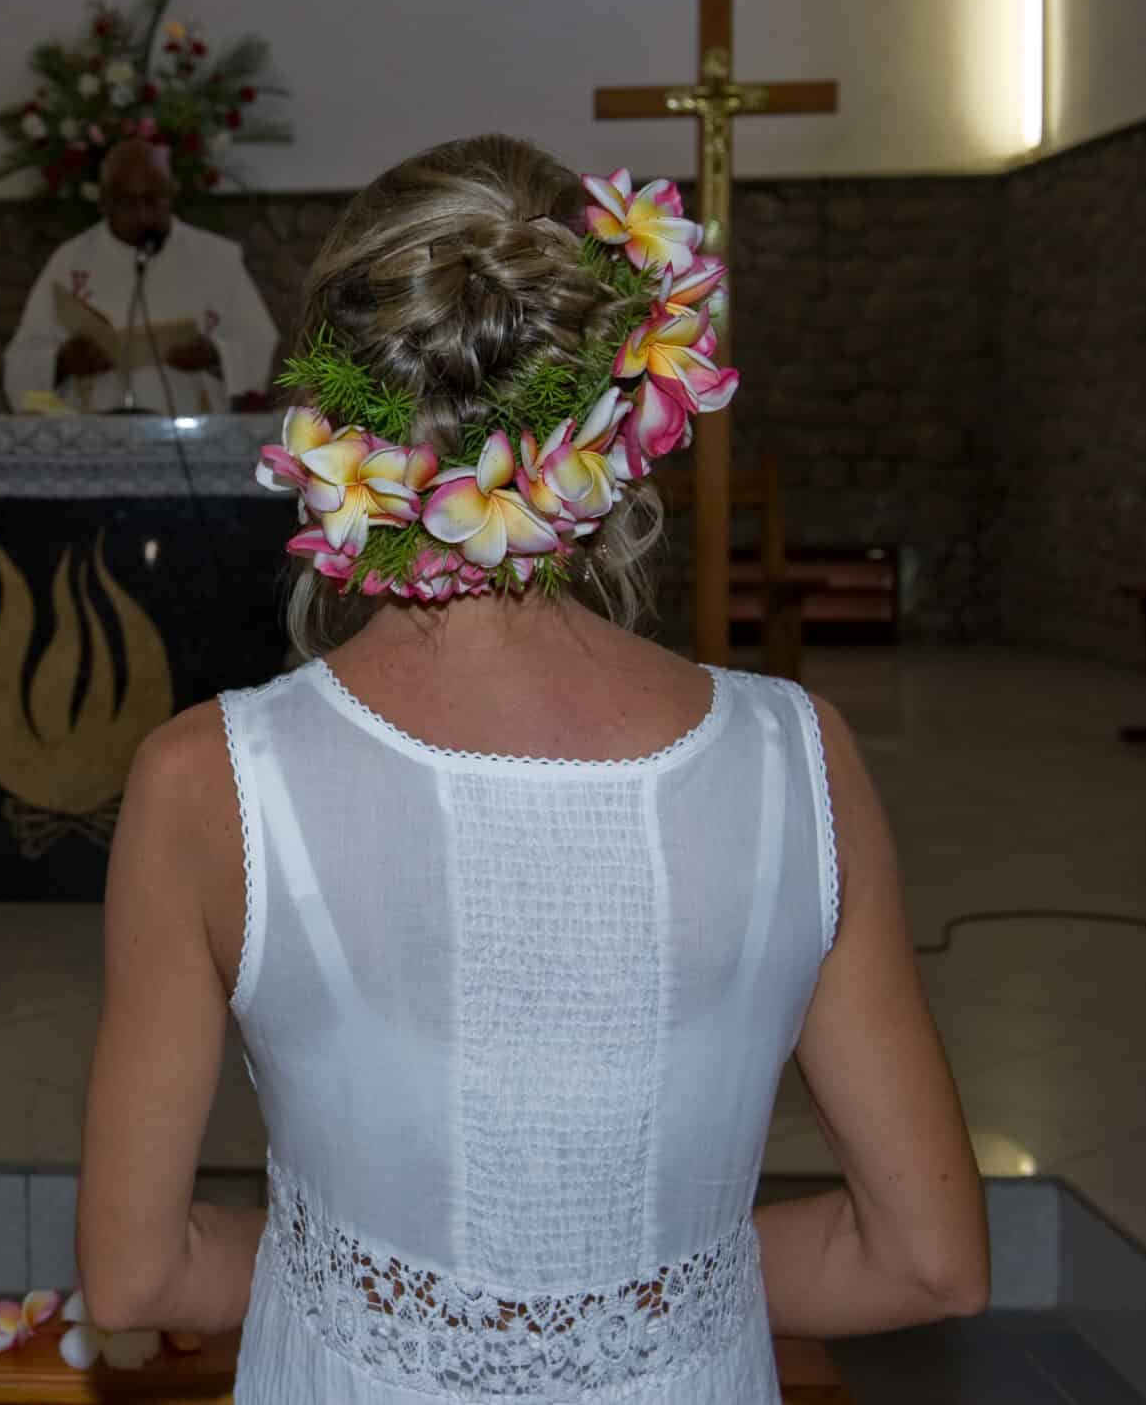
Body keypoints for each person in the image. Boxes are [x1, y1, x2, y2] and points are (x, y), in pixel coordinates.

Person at [75, 135, 986, 1402]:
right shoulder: (801, 761)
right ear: (623, 412)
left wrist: (380, 1288)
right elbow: (928, 1261)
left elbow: (130, 1279)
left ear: (332, 411)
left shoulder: (204, 780)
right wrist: (633, 1287)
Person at [1, 140, 279, 414]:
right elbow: (20, 362)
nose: (142, 215)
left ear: (171, 194)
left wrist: (216, 355)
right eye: (128, 203)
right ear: (104, 202)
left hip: (190, 435)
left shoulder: (217, 259)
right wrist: (61, 362)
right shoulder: (70, 262)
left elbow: (261, 344)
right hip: (96, 435)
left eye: (153, 200)